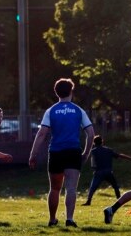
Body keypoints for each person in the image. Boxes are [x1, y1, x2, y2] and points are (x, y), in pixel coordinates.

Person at [29, 78, 95, 228]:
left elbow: (41, 134)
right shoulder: (79, 110)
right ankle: (70, 219)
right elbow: (90, 133)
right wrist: (85, 153)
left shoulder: (51, 111)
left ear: (56, 92)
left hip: (56, 152)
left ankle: (52, 219)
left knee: (54, 188)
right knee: (71, 188)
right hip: (73, 151)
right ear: (71, 91)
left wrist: (33, 155)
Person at [82, 135, 131, 205]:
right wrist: (128, 158)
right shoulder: (108, 150)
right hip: (108, 172)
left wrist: (94, 169)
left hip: (99, 172)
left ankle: (88, 201)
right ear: (102, 142)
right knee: (115, 186)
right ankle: (119, 200)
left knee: (92, 187)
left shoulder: (93, 151)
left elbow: (93, 162)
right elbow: (119, 155)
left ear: (94, 143)